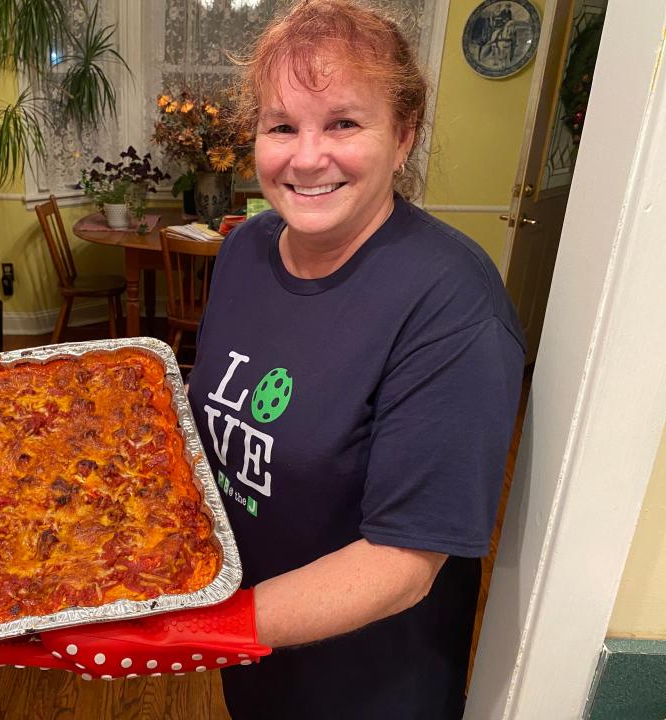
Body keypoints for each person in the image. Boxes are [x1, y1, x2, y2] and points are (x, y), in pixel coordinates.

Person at [183, 0, 526, 717]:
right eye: (282, 126)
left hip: (367, 683)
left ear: (403, 136)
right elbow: (214, 414)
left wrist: (200, 628)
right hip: (256, 654)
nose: (307, 157)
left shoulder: (450, 303)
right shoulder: (245, 250)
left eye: (343, 122)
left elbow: (401, 565)